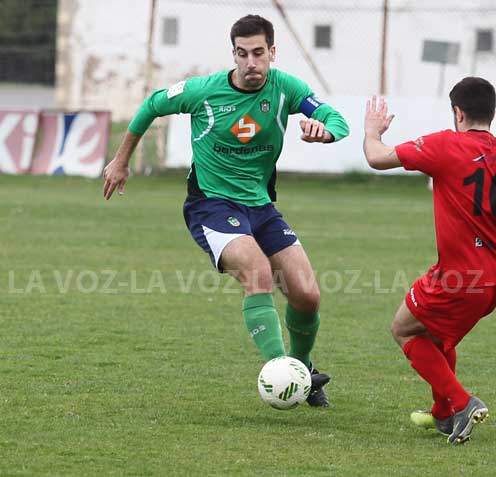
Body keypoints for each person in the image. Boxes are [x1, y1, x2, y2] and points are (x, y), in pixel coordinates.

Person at [103, 14, 349, 407]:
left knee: (307, 295)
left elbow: (335, 119)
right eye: (242, 53)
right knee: (258, 273)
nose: (251, 62)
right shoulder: (203, 91)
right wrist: (120, 161)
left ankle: (302, 371)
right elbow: (152, 105)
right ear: (233, 54)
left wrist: (326, 131)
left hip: (261, 207)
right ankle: (279, 369)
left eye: (258, 53)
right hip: (211, 205)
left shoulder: (286, 88)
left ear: (272, 52)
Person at [362, 78, 496, 443]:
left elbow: (377, 158)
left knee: (404, 329)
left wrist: (372, 132)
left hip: (458, 276)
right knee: (438, 338)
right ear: (492, 113)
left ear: (458, 113)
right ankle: (443, 414)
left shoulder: (444, 144)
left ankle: (461, 403)